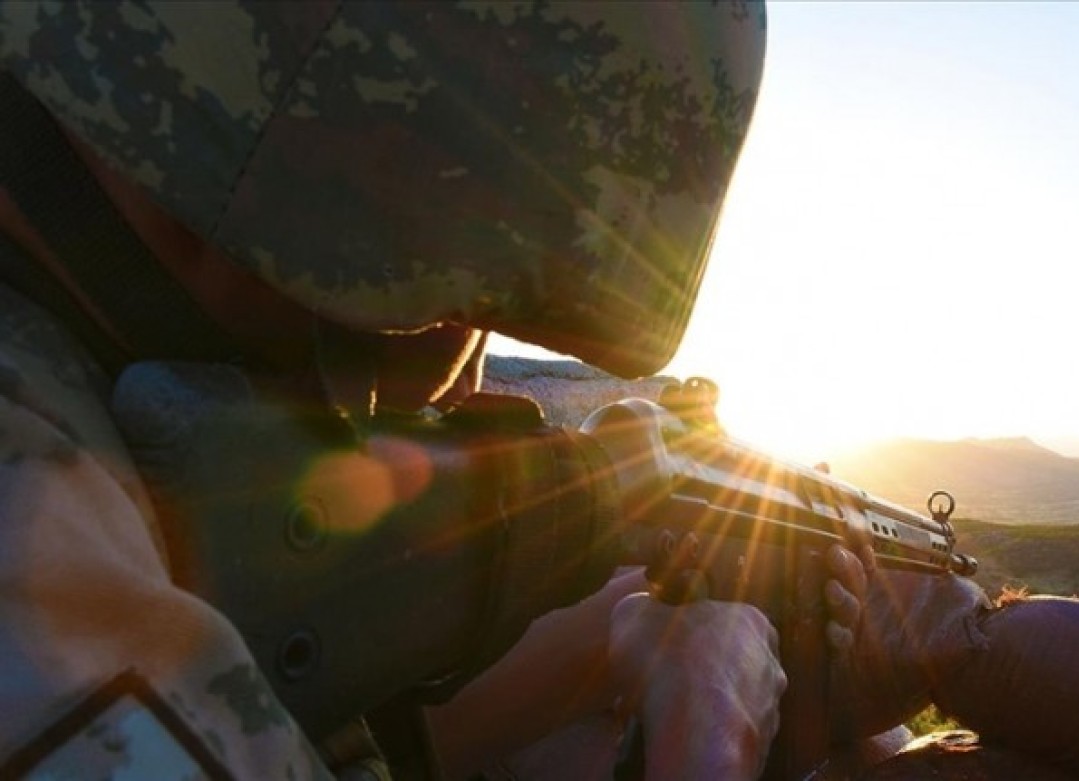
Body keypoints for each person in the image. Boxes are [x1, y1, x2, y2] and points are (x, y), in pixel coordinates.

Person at [0, 3, 788, 778]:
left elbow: (300, 710)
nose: (463, 378)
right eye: (455, 306)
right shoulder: (45, 567)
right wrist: (708, 744)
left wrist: (620, 638)